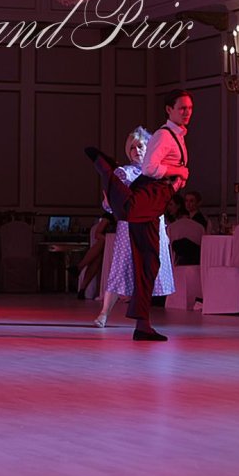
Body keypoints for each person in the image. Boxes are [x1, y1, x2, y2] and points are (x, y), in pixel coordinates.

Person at [86, 89, 192, 341]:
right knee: (130, 214)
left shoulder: (175, 138)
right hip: (143, 206)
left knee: (148, 264)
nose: (187, 112)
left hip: (154, 208)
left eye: (189, 108)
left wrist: (178, 181)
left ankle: (142, 324)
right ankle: (105, 167)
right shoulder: (163, 137)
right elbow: (151, 168)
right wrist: (180, 172)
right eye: (182, 108)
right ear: (169, 110)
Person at [93, 127, 175, 328]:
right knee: (120, 268)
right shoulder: (124, 173)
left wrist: (164, 230)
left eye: (140, 146)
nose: (136, 150)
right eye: (132, 147)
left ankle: (143, 317)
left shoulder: (157, 174)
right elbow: (111, 204)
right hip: (129, 227)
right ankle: (104, 313)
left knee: (149, 268)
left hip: (153, 225)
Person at [73, 212, 115, 299]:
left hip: (113, 242)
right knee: (97, 257)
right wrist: (108, 240)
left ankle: (79, 268)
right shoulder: (109, 215)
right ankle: (82, 285)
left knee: (97, 256)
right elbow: (97, 233)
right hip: (107, 242)